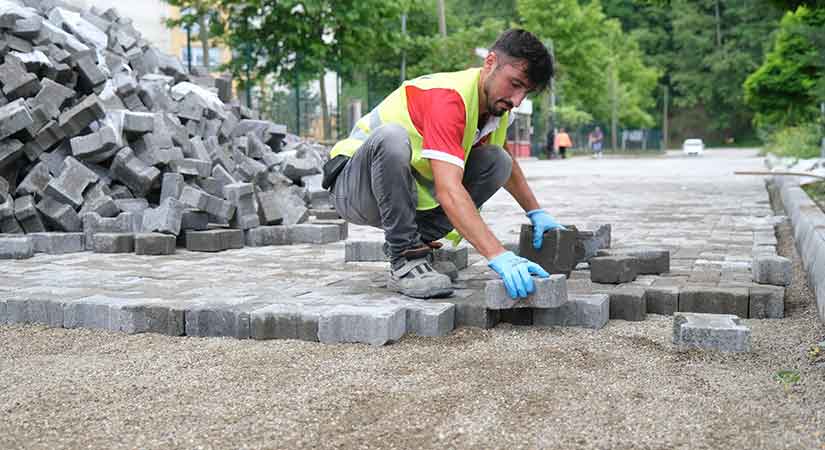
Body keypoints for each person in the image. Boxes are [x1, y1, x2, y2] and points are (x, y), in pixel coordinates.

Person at [324, 29, 565, 300]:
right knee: (392, 137)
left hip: (401, 196)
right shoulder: (448, 99)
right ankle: (405, 258)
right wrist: (498, 254)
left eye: (526, 92)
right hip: (353, 188)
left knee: (497, 161)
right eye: (515, 84)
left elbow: (507, 168)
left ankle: (420, 247)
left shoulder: (496, 110)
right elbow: (449, 190)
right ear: (490, 63)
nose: (517, 101)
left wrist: (536, 213)